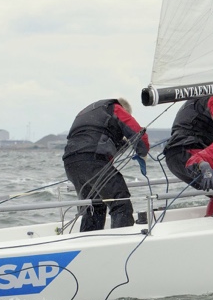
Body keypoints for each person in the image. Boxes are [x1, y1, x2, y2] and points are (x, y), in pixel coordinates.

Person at [63, 98, 149, 231]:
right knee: (120, 202)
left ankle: (89, 243)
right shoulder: (115, 108)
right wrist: (143, 152)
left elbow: (99, 140)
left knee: (93, 206)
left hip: (71, 162)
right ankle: (120, 243)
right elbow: (138, 132)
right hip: (93, 161)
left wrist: (124, 143)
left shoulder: (90, 112)